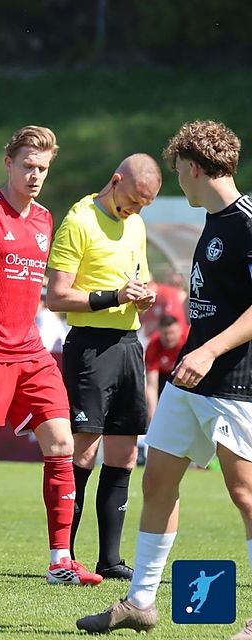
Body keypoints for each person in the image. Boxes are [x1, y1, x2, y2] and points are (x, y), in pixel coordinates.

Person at [77, 121, 252, 640]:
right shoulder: (215, 220)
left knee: (245, 495)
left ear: (194, 168)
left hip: (234, 381)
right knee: (156, 482)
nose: (178, 182)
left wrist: (211, 349)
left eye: (178, 172)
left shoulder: (245, 222)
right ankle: (140, 603)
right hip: (190, 379)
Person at [0, 126, 101, 586]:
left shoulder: (45, 219)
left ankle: (60, 561)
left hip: (31, 351)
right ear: (8, 163)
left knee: (63, 445)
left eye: (42, 169)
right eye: (27, 165)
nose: (34, 175)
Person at [46, 153, 161, 580]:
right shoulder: (78, 221)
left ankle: (109, 560)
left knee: (125, 453)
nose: (136, 209)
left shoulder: (136, 223)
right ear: (115, 181)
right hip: (90, 348)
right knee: (84, 450)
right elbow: (56, 296)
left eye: (144, 204)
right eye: (133, 200)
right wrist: (113, 296)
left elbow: (139, 279)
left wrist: (143, 296)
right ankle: (64, 557)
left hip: (129, 344)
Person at [145, 315, 189, 420]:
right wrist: (153, 416)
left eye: (172, 333)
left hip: (185, 376)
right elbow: (152, 386)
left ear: (180, 330)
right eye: (165, 334)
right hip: (164, 377)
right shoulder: (154, 346)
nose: (169, 337)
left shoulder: (188, 342)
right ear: (159, 332)